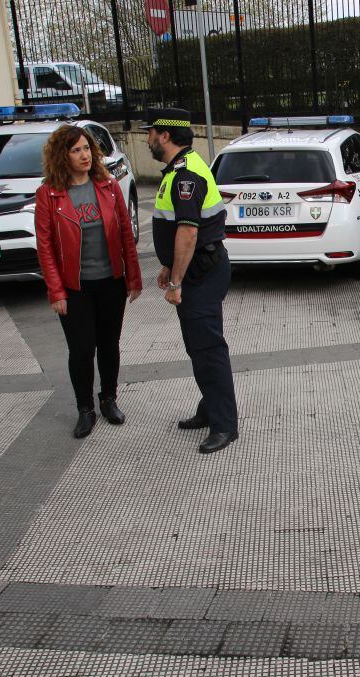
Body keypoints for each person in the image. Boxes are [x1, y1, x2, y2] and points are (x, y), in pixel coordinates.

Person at [35, 125, 143, 438]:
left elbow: (125, 235)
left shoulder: (107, 187)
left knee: (109, 345)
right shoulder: (49, 194)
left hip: (110, 282)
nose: (84, 155)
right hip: (74, 287)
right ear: (62, 156)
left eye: (86, 149)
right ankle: (85, 408)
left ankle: (108, 398)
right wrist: (56, 290)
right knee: (82, 350)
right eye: (75, 150)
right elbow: (46, 247)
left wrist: (133, 278)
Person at [143, 107, 239, 454]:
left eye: (151, 132)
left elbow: (187, 233)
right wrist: (169, 266)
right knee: (199, 348)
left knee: (209, 350)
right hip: (198, 270)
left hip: (202, 274)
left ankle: (225, 425)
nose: (148, 138)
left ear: (165, 136)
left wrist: (176, 281)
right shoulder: (180, 169)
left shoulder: (187, 177)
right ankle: (210, 409)